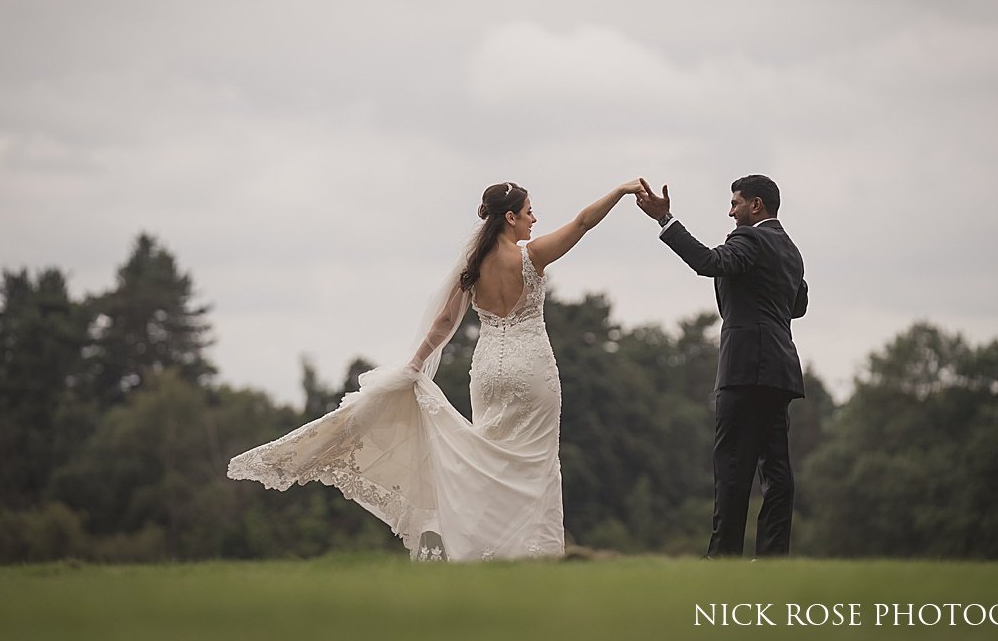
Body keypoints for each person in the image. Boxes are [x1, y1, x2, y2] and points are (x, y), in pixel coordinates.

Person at [228, 179, 643, 562]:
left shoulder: (474, 263)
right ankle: (534, 553)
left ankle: (484, 548)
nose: (536, 218)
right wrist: (621, 190)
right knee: (535, 462)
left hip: (487, 373)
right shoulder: (531, 256)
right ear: (511, 217)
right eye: (530, 210)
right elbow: (584, 222)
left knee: (488, 459)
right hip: (531, 369)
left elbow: (445, 322)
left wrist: (415, 364)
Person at [635, 175, 808, 558]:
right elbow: (798, 306)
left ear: (756, 205)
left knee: (733, 467)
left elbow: (709, 262)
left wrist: (667, 221)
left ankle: (723, 559)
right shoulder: (791, 250)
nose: (731, 211)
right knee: (777, 470)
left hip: (745, 368)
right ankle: (772, 559)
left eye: (735, 203)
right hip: (780, 370)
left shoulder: (749, 239)